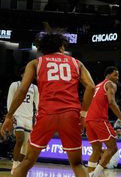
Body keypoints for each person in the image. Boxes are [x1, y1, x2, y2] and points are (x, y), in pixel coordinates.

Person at [1, 32, 95, 177]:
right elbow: (91, 87)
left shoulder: (35, 63)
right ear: (61, 47)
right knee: (76, 164)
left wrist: (9, 116)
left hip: (46, 114)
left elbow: (22, 90)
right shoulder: (76, 63)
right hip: (70, 114)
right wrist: (83, 114)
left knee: (27, 161)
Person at [86, 66, 121, 177]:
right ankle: (95, 174)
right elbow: (111, 102)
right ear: (108, 75)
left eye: (118, 75)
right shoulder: (110, 84)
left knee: (96, 149)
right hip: (99, 119)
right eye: (115, 75)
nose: (117, 77)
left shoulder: (97, 85)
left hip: (89, 119)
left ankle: (89, 174)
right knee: (112, 148)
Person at [7, 67, 39, 174]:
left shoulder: (34, 88)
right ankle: (15, 164)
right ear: (21, 74)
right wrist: (10, 116)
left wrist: (37, 119)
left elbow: (38, 105)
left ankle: (19, 167)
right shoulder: (15, 85)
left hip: (29, 118)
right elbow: (9, 101)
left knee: (25, 147)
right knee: (19, 139)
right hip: (18, 116)